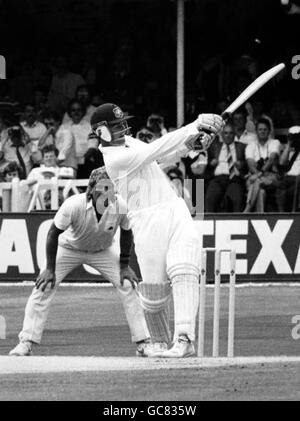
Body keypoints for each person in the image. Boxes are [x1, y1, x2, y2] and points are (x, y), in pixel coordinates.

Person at [90, 103, 223, 358]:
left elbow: (163, 156)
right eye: (115, 126)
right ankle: (159, 343)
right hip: (146, 222)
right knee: (154, 296)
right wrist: (194, 126)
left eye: (122, 124)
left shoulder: (130, 142)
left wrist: (191, 145)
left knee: (184, 269)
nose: (122, 129)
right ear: (101, 132)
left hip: (174, 208)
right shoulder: (114, 159)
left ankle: (185, 339)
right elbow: (155, 150)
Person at [9, 167, 150, 356]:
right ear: (90, 190)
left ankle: (143, 343)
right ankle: (26, 342)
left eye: (109, 190)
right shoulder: (73, 205)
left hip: (103, 251)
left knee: (128, 284)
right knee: (44, 285)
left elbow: (126, 232)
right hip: (69, 249)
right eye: (101, 190)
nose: (105, 195)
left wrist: (124, 266)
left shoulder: (120, 205)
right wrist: (50, 268)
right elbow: (53, 233)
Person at [205, 122, 247, 213]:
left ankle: (238, 224)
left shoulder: (242, 147)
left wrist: (241, 164)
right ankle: (208, 224)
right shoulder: (215, 146)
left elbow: (247, 163)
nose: (228, 136)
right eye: (225, 133)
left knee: (236, 197)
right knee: (210, 196)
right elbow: (206, 161)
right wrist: (211, 163)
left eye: (231, 133)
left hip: (234, 179)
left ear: (234, 134)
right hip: (218, 179)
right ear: (222, 135)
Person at [244, 118, 281, 212]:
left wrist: (258, 175)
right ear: (256, 131)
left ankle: (247, 210)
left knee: (257, 182)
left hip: (272, 176)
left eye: (265, 129)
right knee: (261, 191)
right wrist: (258, 175)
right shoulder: (250, 145)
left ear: (269, 131)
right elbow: (251, 165)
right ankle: (259, 217)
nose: (262, 132)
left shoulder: (275, 142)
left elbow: (271, 160)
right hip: (254, 175)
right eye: (260, 129)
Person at [276, 126, 300, 212]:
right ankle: (281, 214)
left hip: (298, 178)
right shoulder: (287, 149)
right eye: (293, 136)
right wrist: (289, 144)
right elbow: (282, 163)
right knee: (281, 185)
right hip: (288, 178)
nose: (296, 139)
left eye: (298, 136)